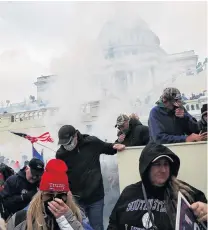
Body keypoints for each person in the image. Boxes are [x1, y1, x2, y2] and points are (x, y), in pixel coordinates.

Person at [107, 142, 207, 230]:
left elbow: (203, 219)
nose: (163, 170)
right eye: (157, 164)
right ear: (147, 167)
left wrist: (206, 211)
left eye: (166, 164)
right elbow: (114, 224)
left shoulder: (185, 193)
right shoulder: (129, 192)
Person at [56, 125, 125, 230]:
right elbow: (61, 175)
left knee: (97, 227)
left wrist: (117, 145)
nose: (67, 146)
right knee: (78, 227)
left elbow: (108, 147)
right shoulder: (61, 154)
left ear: (75, 136)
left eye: (68, 143)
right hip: (76, 199)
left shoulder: (91, 142)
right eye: (64, 144)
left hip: (95, 197)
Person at [6, 159, 86, 230]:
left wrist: (68, 219)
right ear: (41, 194)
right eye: (49, 194)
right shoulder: (20, 219)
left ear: (67, 195)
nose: (54, 199)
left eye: (60, 195)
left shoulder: (77, 215)